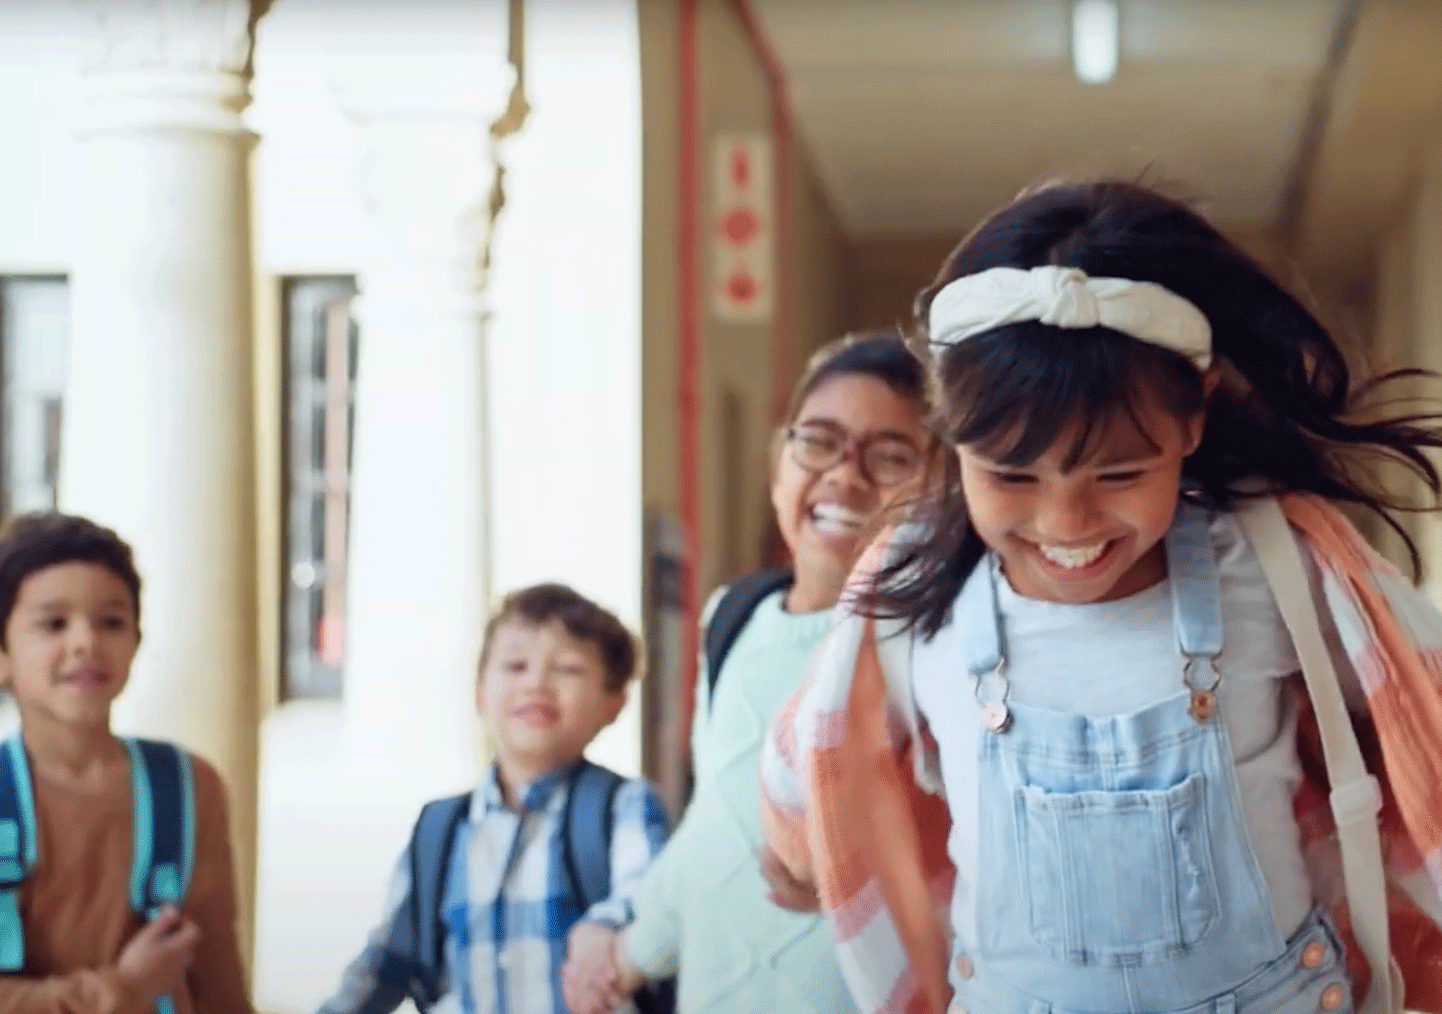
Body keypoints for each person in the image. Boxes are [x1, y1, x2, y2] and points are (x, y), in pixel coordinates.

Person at [758, 180, 1442, 1014]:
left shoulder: (1273, 568)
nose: (1064, 522)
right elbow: (820, 770)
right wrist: (804, 852)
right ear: (953, 441)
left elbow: (1418, 709)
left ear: (1190, 428)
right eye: (1011, 474)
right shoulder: (910, 612)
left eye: (1119, 473)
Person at [565, 333, 931, 1014]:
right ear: (777, 469)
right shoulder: (732, 617)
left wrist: (859, 886)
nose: (845, 476)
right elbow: (716, 830)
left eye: (890, 455)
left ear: (936, 489)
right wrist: (623, 951)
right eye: (819, 441)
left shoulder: (932, 649)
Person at [0, 512, 253, 1014]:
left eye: (111, 621)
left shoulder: (187, 792)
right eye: (53, 623)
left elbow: (219, 986)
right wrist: (121, 989)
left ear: (136, 640)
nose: (85, 643)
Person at [318, 583, 671, 1014]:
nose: (537, 683)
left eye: (568, 669)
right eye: (515, 665)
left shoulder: (623, 808)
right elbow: (387, 962)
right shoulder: (440, 831)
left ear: (613, 703)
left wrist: (606, 927)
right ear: (479, 693)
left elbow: (654, 901)